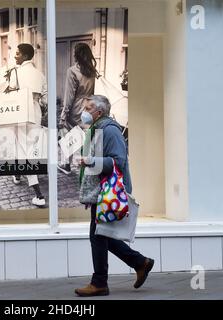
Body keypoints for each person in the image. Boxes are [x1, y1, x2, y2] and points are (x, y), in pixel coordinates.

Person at [75, 95, 154, 297]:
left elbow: (117, 162)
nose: (84, 111)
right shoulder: (96, 129)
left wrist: (90, 160)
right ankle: (139, 262)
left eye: (88, 107)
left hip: (109, 191)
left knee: (98, 236)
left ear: (99, 112)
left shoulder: (109, 130)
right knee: (100, 234)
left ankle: (100, 282)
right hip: (101, 191)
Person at [8, 43, 47, 207]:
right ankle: (17, 174)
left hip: (20, 111)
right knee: (29, 146)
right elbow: (45, 98)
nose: (15, 56)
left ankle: (38, 194)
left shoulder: (16, 72)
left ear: (24, 56)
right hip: (35, 112)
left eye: (17, 54)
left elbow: (10, 91)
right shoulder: (40, 74)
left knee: (23, 147)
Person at [58, 43, 97, 175]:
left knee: (69, 135)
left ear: (76, 54)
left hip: (76, 107)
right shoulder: (92, 71)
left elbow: (69, 96)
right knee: (85, 136)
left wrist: (63, 115)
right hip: (89, 106)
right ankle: (87, 165)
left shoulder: (73, 71)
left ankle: (66, 165)